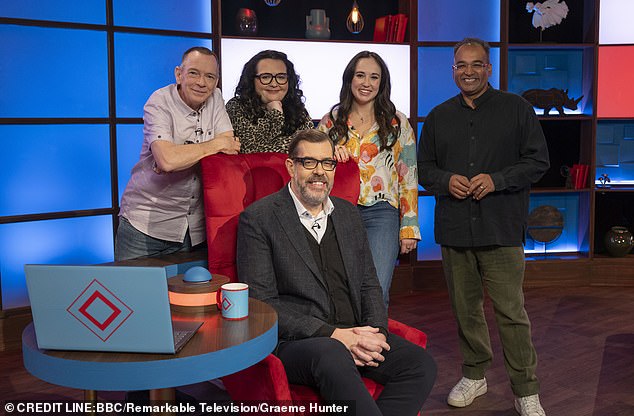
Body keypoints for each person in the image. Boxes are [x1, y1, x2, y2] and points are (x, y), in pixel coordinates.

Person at [237, 129, 436, 416]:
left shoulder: (348, 214)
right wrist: (334, 335)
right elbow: (262, 304)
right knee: (332, 353)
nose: (320, 172)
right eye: (309, 162)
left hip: (353, 331)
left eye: (327, 163)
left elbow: (369, 284)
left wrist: (376, 333)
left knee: (420, 364)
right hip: (299, 342)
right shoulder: (259, 219)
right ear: (291, 166)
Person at [417, 38, 550, 416]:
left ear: (489, 69)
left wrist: (497, 179)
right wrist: (446, 181)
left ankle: (526, 390)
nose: (469, 71)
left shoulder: (517, 109)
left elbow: (538, 162)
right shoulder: (438, 116)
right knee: (466, 311)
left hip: (501, 228)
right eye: (461, 65)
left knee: (511, 313)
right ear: (453, 70)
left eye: (476, 64)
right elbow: (423, 169)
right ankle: (474, 375)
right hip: (455, 230)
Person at [115, 46, 240, 261]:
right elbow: (168, 161)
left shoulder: (216, 98)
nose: (201, 82)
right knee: (132, 284)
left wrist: (180, 155)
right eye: (194, 73)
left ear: (216, 81)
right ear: (178, 74)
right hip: (145, 225)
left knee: (188, 285)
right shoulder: (159, 101)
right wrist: (214, 145)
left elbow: (229, 150)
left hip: (194, 229)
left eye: (210, 77)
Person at [318, 51, 420, 308]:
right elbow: (313, 167)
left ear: (382, 82)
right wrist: (329, 154)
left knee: (376, 289)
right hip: (337, 212)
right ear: (349, 79)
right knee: (341, 288)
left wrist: (409, 227)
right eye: (360, 75)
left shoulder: (398, 122)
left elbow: (408, 175)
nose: (366, 83)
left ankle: (375, 335)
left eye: (374, 77)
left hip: (382, 212)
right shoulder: (331, 121)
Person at [226, 50, 313, 153]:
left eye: (281, 77)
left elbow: (310, 146)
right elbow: (251, 149)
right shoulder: (236, 106)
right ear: (251, 80)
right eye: (265, 77)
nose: (274, 84)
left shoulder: (297, 108)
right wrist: (276, 113)